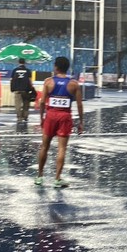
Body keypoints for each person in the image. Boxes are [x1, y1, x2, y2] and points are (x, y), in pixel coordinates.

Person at [35, 56, 83, 188]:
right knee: (62, 148)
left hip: (51, 115)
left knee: (44, 146)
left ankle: (39, 176)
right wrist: (81, 122)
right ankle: (57, 179)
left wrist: (42, 118)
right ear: (67, 68)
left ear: (56, 67)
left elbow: (43, 102)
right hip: (65, 116)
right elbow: (79, 105)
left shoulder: (48, 82)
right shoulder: (74, 84)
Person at [10, 58, 34, 123]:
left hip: (17, 90)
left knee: (18, 105)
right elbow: (30, 81)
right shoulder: (28, 70)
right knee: (26, 104)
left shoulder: (15, 70)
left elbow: (12, 80)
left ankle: (19, 117)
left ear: (18, 62)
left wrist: (12, 88)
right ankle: (25, 117)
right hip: (25, 90)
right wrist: (32, 88)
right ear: (25, 63)